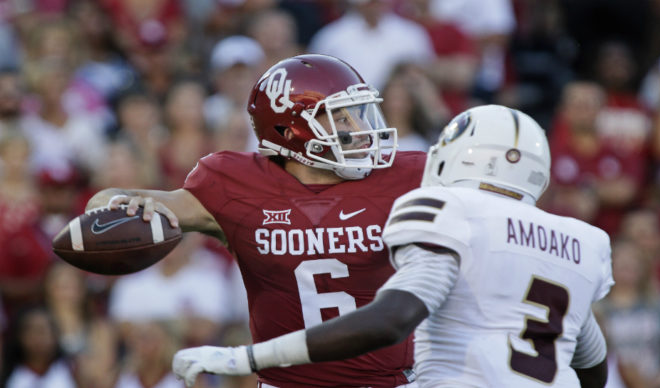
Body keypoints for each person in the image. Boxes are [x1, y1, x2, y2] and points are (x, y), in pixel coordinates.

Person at [172, 105, 614, 388]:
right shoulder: (580, 241)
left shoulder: (450, 208)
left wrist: (244, 358)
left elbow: (392, 320)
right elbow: (592, 361)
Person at [85, 54, 425, 387]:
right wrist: (114, 204)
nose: (362, 130)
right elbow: (114, 202)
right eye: (341, 118)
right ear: (290, 129)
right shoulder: (235, 184)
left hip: (387, 383)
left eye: (359, 114)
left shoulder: (407, 175)